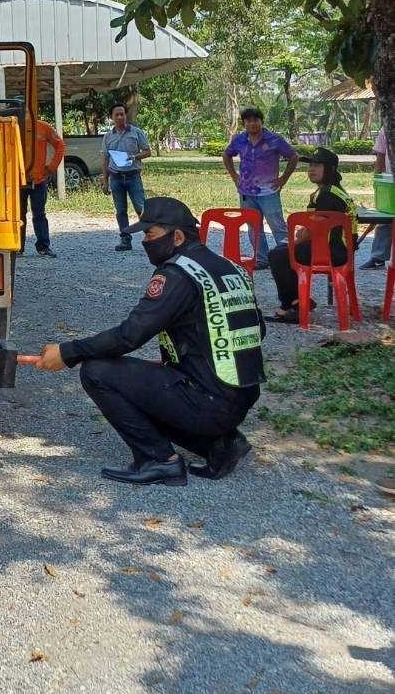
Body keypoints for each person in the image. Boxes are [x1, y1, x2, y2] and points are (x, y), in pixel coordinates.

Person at [24, 197, 264, 487]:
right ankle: (221, 444)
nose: (145, 242)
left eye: (150, 235)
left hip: (209, 403)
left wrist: (67, 352)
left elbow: (129, 335)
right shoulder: (229, 267)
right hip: (238, 397)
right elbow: (258, 330)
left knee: (98, 372)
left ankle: (159, 460)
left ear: (177, 236)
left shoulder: (178, 274)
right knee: (152, 380)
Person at [268, 146, 357, 321]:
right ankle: (297, 301)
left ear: (330, 169)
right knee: (284, 252)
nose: (311, 169)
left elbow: (312, 231)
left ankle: (292, 305)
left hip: (332, 252)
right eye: (310, 165)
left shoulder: (327, 195)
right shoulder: (334, 191)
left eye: (317, 166)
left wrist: (298, 239)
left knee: (278, 255)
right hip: (339, 250)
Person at [222, 108, 297, 269]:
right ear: (244, 123)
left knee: (277, 226)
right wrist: (234, 175)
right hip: (246, 192)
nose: (252, 124)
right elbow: (226, 155)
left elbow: (293, 156)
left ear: (261, 122)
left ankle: (288, 258)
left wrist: (283, 179)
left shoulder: (274, 139)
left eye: (255, 120)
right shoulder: (239, 140)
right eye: (248, 121)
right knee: (253, 227)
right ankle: (262, 259)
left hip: (269, 191)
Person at [103, 104, 151, 251]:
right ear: (111, 117)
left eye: (122, 114)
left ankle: (151, 237)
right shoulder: (108, 136)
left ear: (126, 115)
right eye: (116, 115)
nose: (119, 117)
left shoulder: (136, 132)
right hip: (116, 177)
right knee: (121, 210)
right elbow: (105, 158)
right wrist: (105, 181)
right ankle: (125, 239)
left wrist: (135, 156)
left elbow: (147, 151)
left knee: (140, 208)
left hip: (133, 176)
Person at [22, 120, 65, 258]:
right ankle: (17, 247)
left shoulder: (43, 127)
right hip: (18, 181)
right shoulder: (12, 125)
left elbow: (60, 145)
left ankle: (43, 246)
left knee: (39, 214)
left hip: (38, 180)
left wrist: (52, 167)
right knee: (18, 215)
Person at [361, 125, 391, 270]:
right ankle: (378, 256)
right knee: (385, 218)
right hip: (390, 182)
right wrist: (377, 180)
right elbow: (380, 156)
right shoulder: (387, 128)